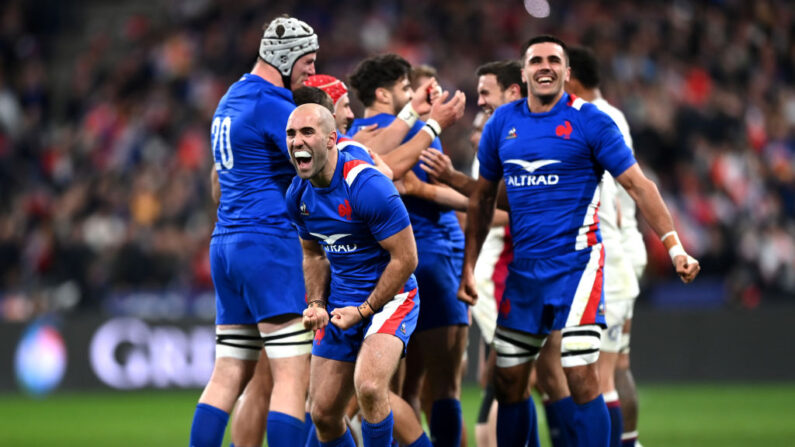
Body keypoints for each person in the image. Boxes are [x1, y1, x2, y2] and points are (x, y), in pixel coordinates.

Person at [459, 35, 700, 447]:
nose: (545, 67)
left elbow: (639, 185)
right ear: (524, 72)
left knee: (580, 371)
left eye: (554, 60)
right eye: (536, 60)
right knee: (509, 379)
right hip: (524, 273)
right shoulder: (502, 124)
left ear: (567, 73)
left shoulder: (591, 121)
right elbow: (484, 198)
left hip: (578, 266)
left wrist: (674, 245)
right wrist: (468, 265)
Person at [190, 16, 318, 447]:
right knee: (291, 373)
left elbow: (217, 179)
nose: (310, 72)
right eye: (307, 61)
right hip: (270, 242)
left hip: (226, 243)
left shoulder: (231, 98)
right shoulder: (275, 106)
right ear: (286, 56)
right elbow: (320, 165)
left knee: (228, 372)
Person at [284, 103, 426, 447]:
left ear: (332, 139)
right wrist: (317, 303)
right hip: (341, 304)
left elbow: (406, 259)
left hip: (391, 299)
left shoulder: (367, 186)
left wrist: (364, 310)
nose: (297, 141)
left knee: (371, 387)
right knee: (322, 414)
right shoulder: (298, 196)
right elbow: (313, 253)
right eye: (291, 134)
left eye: (307, 132)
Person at [349, 54, 468, 447]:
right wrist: (473, 198)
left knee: (394, 387)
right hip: (430, 256)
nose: (410, 96)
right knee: (445, 385)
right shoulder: (413, 135)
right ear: (386, 94)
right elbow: (414, 183)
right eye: (405, 88)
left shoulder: (347, 136)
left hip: (379, 270)